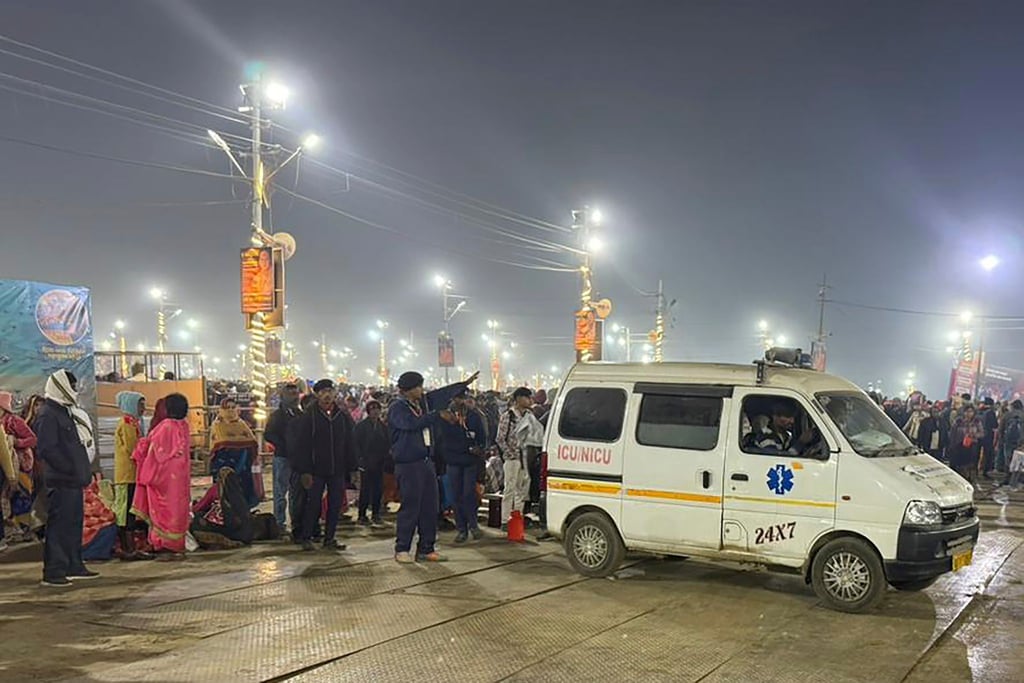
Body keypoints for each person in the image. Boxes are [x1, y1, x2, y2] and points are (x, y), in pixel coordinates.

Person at [389, 370, 479, 563]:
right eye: (418, 387)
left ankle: (426, 548)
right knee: (411, 506)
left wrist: (463, 384)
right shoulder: (397, 408)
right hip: (408, 463)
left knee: (430, 506)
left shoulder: (423, 403)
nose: (421, 390)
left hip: (427, 462)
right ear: (408, 389)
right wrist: (437, 416)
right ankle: (402, 548)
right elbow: (410, 424)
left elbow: (441, 393)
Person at [32, 370, 96, 586]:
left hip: (73, 480)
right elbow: (47, 449)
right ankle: (54, 571)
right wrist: (68, 468)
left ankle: (74, 565)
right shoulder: (48, 413)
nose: (75, 389)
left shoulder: (65, 412)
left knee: (73, 523)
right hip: (60, 481)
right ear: (61, 386)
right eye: (72, 385)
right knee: (59, 526)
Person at [289, 379, 356, 552]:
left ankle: (330, 538)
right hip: (315, 470)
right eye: (323, 392)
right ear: (317, 395)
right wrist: (304, 471)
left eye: (330, 391)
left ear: (334, 394)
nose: (327, 395)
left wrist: (353, 467)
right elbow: (302, 446)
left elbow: (350, 443)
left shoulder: (342, 416)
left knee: (334, 506)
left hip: (337, 470)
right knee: (312, 505)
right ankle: (306, 537)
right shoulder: (309, 416)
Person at [130, 393, 191, 559]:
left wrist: (141, 451)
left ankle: (162, 543)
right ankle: (176, 543)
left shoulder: (165, 426)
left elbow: (155, 452)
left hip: (163, 477)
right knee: (178, 508)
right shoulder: (184, 425)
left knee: (163, 509)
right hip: (180, 476)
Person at [437, 389, 487, 543]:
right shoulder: (446, 418)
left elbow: (482, 437)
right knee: (456, 496)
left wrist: (479, 448)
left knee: (468, 495)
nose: (460, 401)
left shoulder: (473, 417)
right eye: (457, 398)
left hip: (470, 462)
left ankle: (473, 525)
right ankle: (462, 529)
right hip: (453, 461)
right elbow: (444, 441)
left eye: (462, 398)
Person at [113, 391, 149, 560]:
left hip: (131, 474)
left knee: (129, 512)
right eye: (140, 404)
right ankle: (128, 549)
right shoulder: (128, 424)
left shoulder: (133, 423)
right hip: (127, 475)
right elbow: (133, 449)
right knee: (126, 512)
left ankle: (130, 548)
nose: (143, 408)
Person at [0, 391, 37, 546]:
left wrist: (15, 442)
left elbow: (33, 439)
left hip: (20, 466)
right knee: (6, 499)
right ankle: (12, 531)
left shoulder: (14, 421)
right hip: (3, 467)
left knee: (20, 498)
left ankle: (26, 530)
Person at [209, 398, 260, 509]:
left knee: (243, 492)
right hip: (224, 462)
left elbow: (251, 440)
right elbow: (220, 442)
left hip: (243, 465)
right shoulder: (217, 425)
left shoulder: (241, 423)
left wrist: (238, 444)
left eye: (233, 407)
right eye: (228, 408)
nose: (231, 410)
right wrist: (238, 442)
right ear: (222, 409)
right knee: (226, 491)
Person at [264, 383, 302, 532]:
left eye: (296, 394)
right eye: (291, 394)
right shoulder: (277, 416)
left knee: (295, 493)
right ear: (283, 396)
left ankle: (295, 521)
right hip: (282, 458)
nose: (295, 397)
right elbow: (269, 434)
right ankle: (279, 523)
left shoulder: (299, 414)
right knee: (280, 492)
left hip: (297, 459)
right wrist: (284, 445)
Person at [496, 387, 535, 529]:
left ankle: (517, 518)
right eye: (527, 398)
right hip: (512, 459)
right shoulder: (508, 416)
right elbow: (500, 438)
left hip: (525, 459)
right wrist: (509, 453)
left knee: (522, 491)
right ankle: (505, 520)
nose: (530, 401)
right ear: (519, 399)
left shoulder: (529, 415)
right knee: (509, 490)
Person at [190, 467, 255, 548]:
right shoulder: (237, 490)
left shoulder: (215, 489)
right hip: (243, 534)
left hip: (228, 531)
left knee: (197, 520)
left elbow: (200, 506)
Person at [354, 399, 390, 527]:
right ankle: (362, 515)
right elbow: (356, 444)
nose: (375, 411)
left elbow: (387, 443)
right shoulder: (361, 426)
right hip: (366, 462)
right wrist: (360, 460)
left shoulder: (383, 427)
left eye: (377, 408)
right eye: (372, 408)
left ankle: (376, 514)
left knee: (378, 489)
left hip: (379, 463)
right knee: (365, 489)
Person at [948, 405, 984, 488]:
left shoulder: (977, 422)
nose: (969, 413)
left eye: (971, 411)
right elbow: (953, 433)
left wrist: (973, 435)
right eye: (967, 411)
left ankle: (969, 479)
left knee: (970, 463)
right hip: (959, 445)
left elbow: (982, 433)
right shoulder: (959, 421)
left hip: (972, 446)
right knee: (959, 463)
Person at [979, 397, 1000, 477]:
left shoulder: (979, 411)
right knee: (987, 454)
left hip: (978, 434)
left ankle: (974, 470)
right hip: (987, 435)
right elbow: (995, 425)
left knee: (977, 453)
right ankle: (985, 471)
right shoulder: (991, 412)